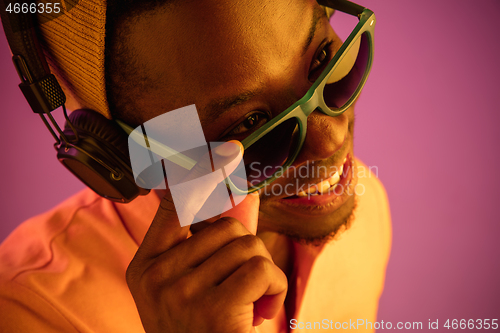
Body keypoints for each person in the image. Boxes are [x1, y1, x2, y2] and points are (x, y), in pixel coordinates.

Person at [0, 0, 391, 332]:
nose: (332, 140)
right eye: (249, 124)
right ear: (122, 154)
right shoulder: (27, 311)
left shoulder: (364, 203)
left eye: (323, 58)